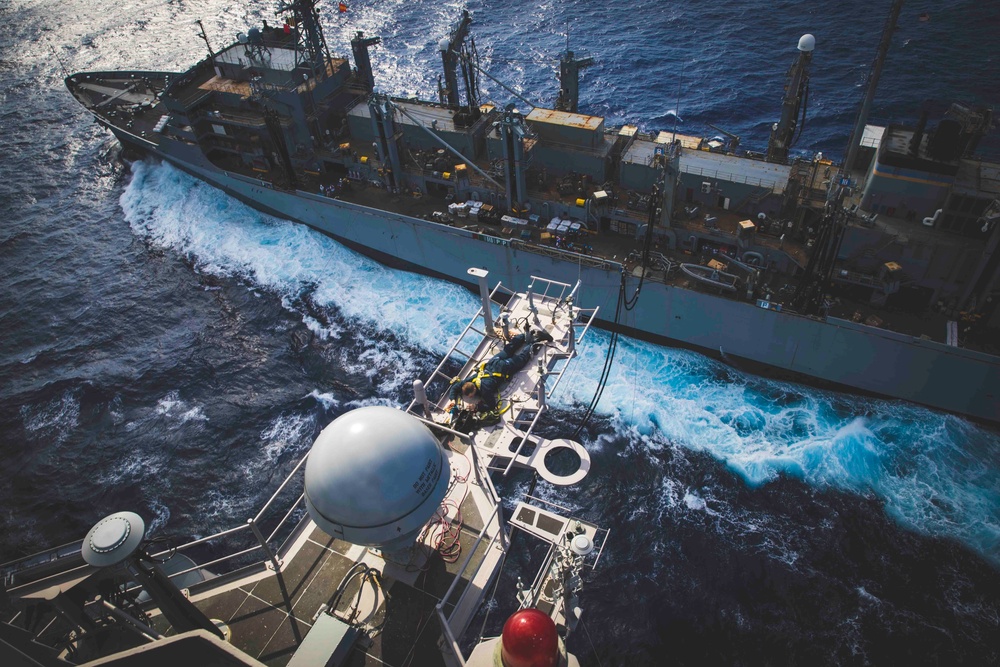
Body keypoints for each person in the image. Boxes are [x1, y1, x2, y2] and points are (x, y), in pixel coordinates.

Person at [446, 328, 553, 424]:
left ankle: (535, 341)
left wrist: (476, 406)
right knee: (508, 349)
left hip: (502, 368)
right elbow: (456, 387)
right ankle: (525, 335)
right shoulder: (470, 380)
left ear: (471, 394)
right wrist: (452, 400)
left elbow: (491, 405)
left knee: (522, 359)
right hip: (492, 362)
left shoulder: (485, 389)